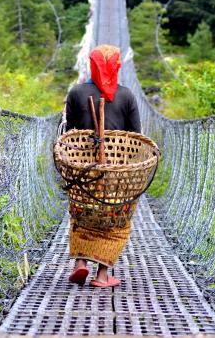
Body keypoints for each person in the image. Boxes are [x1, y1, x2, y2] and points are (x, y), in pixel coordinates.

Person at [64, 44, 141, 288]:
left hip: (83, 172)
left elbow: (70, 132)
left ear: (91, 64)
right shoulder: (126, 95)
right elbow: (135, 136)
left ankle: (80, 264)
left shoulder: (76, 93)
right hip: (116, 174)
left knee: (82, 212)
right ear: (116, 66)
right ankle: (102, 275)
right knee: (114, 218)